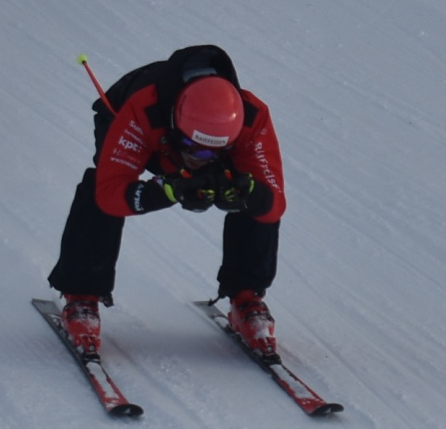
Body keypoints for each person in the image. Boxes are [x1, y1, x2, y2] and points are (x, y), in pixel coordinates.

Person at [47, 45, 286, 358]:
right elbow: (110, 193)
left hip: (190, 139)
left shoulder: (252, 117)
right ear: (176, 124)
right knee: (97, 189)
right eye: (194, 147)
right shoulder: (141, 111)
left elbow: (275, 203)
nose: (203, 159)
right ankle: (81, 293)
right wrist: (162, 191)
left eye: (214, 151)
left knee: (253, 193)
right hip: (136, 126)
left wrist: (249, 193)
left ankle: (246, 295)